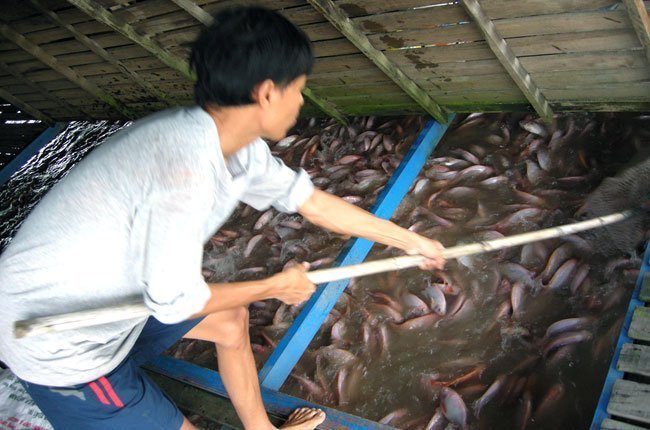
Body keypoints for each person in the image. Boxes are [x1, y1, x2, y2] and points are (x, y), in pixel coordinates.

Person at [0, 6, 445, 430]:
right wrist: (274, 286)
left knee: (231, 319)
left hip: (111, 301)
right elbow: (175, 302)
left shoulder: (228, 143)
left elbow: (311, 202)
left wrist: (409, 239)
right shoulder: (183, 170)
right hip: (64, 347)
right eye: (298, 88)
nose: (301, 100)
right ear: (268, 92)